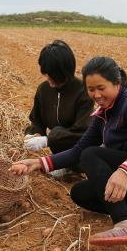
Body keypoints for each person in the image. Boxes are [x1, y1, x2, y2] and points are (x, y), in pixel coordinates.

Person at [9, 56, 127, 246]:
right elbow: (77, 151)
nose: (96, 95)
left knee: (92, 154)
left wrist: (124, 171)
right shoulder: (103, 115)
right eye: (91, 89)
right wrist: (38, 163)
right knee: (81, 192)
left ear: (117, 83)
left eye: (101, 88)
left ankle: (124, 223)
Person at [23, 40, 93, 179]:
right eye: (47, 73)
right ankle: (62, 164)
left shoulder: (83, 93)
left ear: (66, 71)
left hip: (80, 151)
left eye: (54, 75)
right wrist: (34, 134)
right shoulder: (43, 90)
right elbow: (37, 120)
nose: (49, 78)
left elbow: (82, 132)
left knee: (61, 134)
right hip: (59, 150)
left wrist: (48, 139)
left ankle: (72, 167)